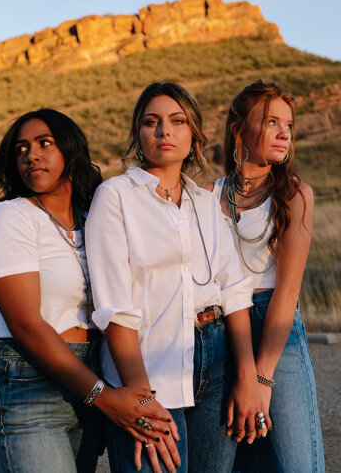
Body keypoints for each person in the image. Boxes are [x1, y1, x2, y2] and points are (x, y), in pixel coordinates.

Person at [0, 108, 176, 473]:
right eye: (20, 149)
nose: (30, 155)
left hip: (85, 382)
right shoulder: (11, 216)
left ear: (70, 150)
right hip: (26, 385)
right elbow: (26, 326)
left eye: (44, 144)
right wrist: (104, 397)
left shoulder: (91, 217)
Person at [85, 82, 264, 473]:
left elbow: (233, 291)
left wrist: (248, 377)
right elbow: (114, 307)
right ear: (139, 134)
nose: (165, 131)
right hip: (148, 367)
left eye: (177, 121)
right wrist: (141, 397)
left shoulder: (204, 201)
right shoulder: (116, 196)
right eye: (152, 122)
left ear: (193, 133)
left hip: (217, 363)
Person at [205, 80, 325, 472]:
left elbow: (286, 296)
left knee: (294, 462)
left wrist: (261, 378)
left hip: (276, 331)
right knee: (238, 457)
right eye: (271, 121)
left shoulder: (294, 195)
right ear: (238, 129)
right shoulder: (207, 196)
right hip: (223, 332)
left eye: (288, 124)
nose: (283, 133)